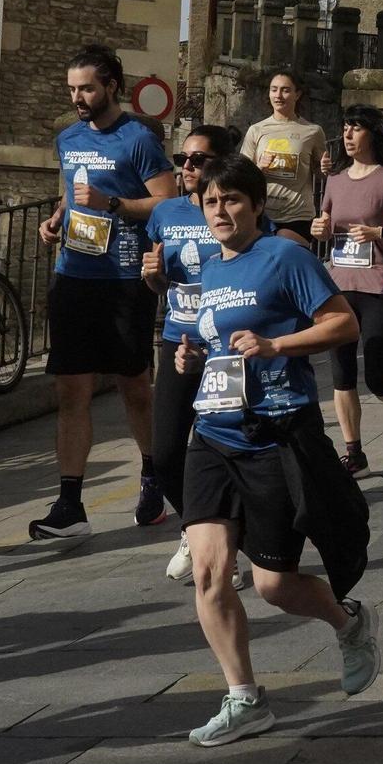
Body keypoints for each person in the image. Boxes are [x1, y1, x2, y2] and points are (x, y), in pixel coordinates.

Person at [171, 153, 380, 746]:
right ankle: (244, 698)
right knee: (209, 574)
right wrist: (194, 357)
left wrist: (276, 345)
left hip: (274, 434)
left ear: (257, 205)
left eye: (232, 199)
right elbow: (216, 345)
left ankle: (349, 623)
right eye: (211, 201)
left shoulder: (284, 256)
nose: (220, 210)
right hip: (213, 435)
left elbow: (343, 325)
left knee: (272, 585)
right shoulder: (210, 268)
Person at [34, 44, 177, 540]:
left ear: (111, 86)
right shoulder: (68, 138)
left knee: (134, 386)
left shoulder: (138, 139)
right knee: (70, 389)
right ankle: (70, 503)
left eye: (87, 88)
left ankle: (155, 477)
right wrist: (56, 220)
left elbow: (166, 204)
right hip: (74, 273)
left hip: (122, 279)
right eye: (72, 88)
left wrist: (111, 202)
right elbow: (72, 189)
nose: (78, 97)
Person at [143, 123, 260, 584]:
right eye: (182, 160)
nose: (187, 167)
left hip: (227, 347)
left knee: (229, 449)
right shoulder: (165, 213)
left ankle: (227, 549)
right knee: (166, 451)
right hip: (179, 341)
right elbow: (162, 282)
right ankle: (197, 528)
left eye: (198, 160)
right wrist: (152, 275)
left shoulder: (234, 210)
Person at [313, 107, 383, 473]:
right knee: (342, 374)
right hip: (339, 286)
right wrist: (322, 229)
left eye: (356, 128)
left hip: (379, 285)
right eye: (344, 127)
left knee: (377, 377)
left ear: (372, 135)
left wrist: (378, 232)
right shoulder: (335, 181)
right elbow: (327, 224)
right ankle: (354, 451)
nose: (347, 134)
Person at [242, 70, 326, 241]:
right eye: (274, 89)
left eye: (285, 90)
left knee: (291, 264)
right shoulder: (256, 130)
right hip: (263, 213)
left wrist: (325, 169)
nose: (278, 95)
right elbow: (241, 174)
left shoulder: (313, 131)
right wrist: (259, 168)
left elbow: (321, 174)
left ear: (298, 94)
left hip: (298, 215)